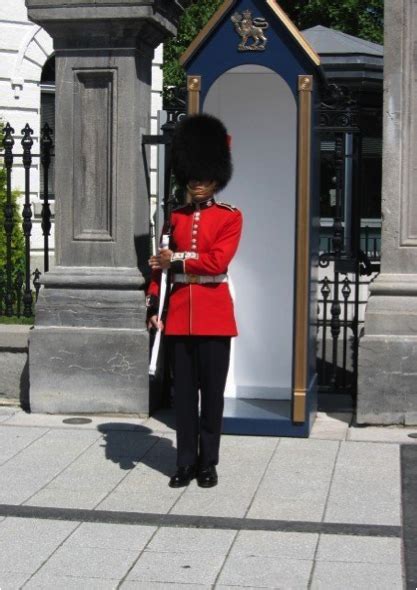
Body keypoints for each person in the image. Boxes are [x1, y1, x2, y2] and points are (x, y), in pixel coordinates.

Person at [146, 113, 243, 488]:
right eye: (192, 177)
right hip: (180, 314)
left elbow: (217, 261)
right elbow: (162, 269)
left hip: (215, 314)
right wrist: (155, 304)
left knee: (211, 396)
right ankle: (185, 462)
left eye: (203, 178)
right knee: (183, 397)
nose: (197, 184)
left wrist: (179, 259)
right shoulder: (175, 219)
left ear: (216, 178)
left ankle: (208, 463)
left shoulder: (230, 217)